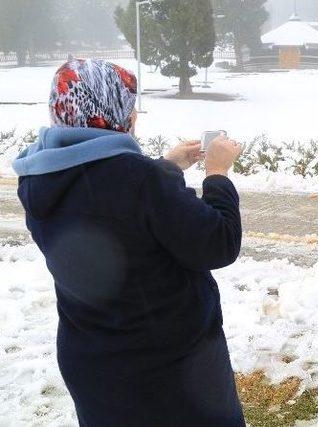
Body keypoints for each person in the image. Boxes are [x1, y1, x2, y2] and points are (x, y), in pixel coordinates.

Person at [12, 59, 246, 426]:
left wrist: (164, 168)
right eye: (128, 103)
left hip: (94, 367)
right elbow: (219, 242)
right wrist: (217, 174)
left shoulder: (41, 176)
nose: (134, 113)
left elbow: (112, 209)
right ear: (110, 110)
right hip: (171, 372)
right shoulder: (138, 180)